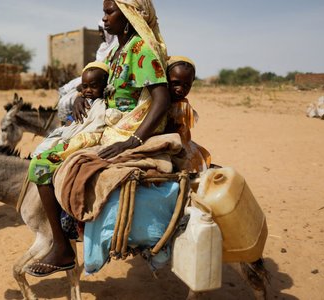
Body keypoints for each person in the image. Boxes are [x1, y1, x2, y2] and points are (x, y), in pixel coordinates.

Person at [26, 0, 170, 277]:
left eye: (109, 11)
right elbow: (106, 89)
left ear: (128, 15)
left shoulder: (140, 49)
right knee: (50, 147)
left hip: (124, 130)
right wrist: (83, 96)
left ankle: (63, 248)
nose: (103, 18)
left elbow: (161, 99)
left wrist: (134, 142)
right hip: (106, 123)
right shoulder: (119, 50)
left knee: (42, 164)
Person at [31, 61, 110, 158]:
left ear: (104, 85)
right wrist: (69, 123)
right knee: (42, 148)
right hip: (68, 135)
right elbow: (70, 121)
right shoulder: (82, 102)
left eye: (94, 86)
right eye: (85, 86)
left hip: (82, 139)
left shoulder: (103, 104)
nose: (88, 90)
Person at [165, 56, 212, 172]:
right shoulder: (160, 102)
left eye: (186, 86)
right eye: (175, 83)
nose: (180, 89)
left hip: (182, 145)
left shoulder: (183, 105)